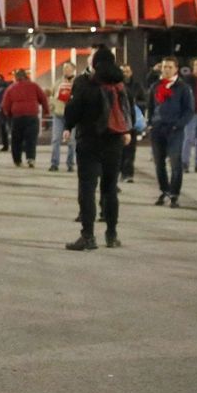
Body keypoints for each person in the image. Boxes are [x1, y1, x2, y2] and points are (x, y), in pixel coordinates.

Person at [62, 48, 132, 250]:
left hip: (89, 141)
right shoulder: (119, 83)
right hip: (114, 142)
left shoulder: (84, 82)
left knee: (87, 188)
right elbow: (129, 110)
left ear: (94, 64)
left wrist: (69, 125)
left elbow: (73, 110)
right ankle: (111, 235)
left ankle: (88, 236)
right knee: (110, 189)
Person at [147, 57, 195, 207]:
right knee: (159, 163)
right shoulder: (156, 86)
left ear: (176, 69)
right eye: (164, 67)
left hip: (174, 130)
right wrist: (150, 124)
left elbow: (189, 110)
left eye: (169, 67)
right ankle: (164, 191)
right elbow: (150, 106)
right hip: (157, 129)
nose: (166, 69)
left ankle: (174, 194)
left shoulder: (183, 87)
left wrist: (178, 125)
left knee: (175, 162)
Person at [0, 68, 48, 168]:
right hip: (32, 116)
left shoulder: (11, 88)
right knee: (31, 139)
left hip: (17, 117)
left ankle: (17, 160)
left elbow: (5, 104)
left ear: (16, 77)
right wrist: (46, 111)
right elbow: (43, 98)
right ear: (26, 76)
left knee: (16, 139)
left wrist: (8, 114)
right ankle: (30, 158)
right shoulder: (34, 86)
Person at [47, 62, 76, 173]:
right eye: (64, 68)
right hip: (58, 114)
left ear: (73, 69)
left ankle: (70, 164)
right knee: (56, 139)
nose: (65, 70)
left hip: (72, 116)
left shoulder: (77, 83)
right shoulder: (58, 83)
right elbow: (52, 96)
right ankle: (54, 163)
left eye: (68, 68)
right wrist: (52, 107)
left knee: (72, 141)